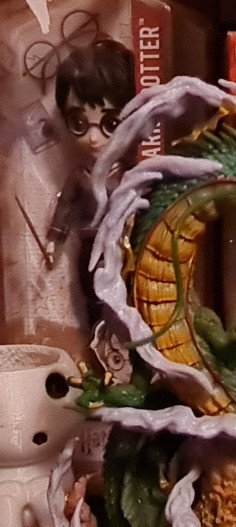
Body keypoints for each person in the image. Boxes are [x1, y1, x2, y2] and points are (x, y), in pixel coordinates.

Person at [45, 38, 134, 319]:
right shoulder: (80, 177)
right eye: (80, 123)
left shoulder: (130, 174)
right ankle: (99, 332)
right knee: (92, 294)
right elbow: (65, 208)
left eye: (110, 123)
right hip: (91, 247)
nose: (93, 138)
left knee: (128, 294)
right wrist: (53, 240)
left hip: (126, 247)